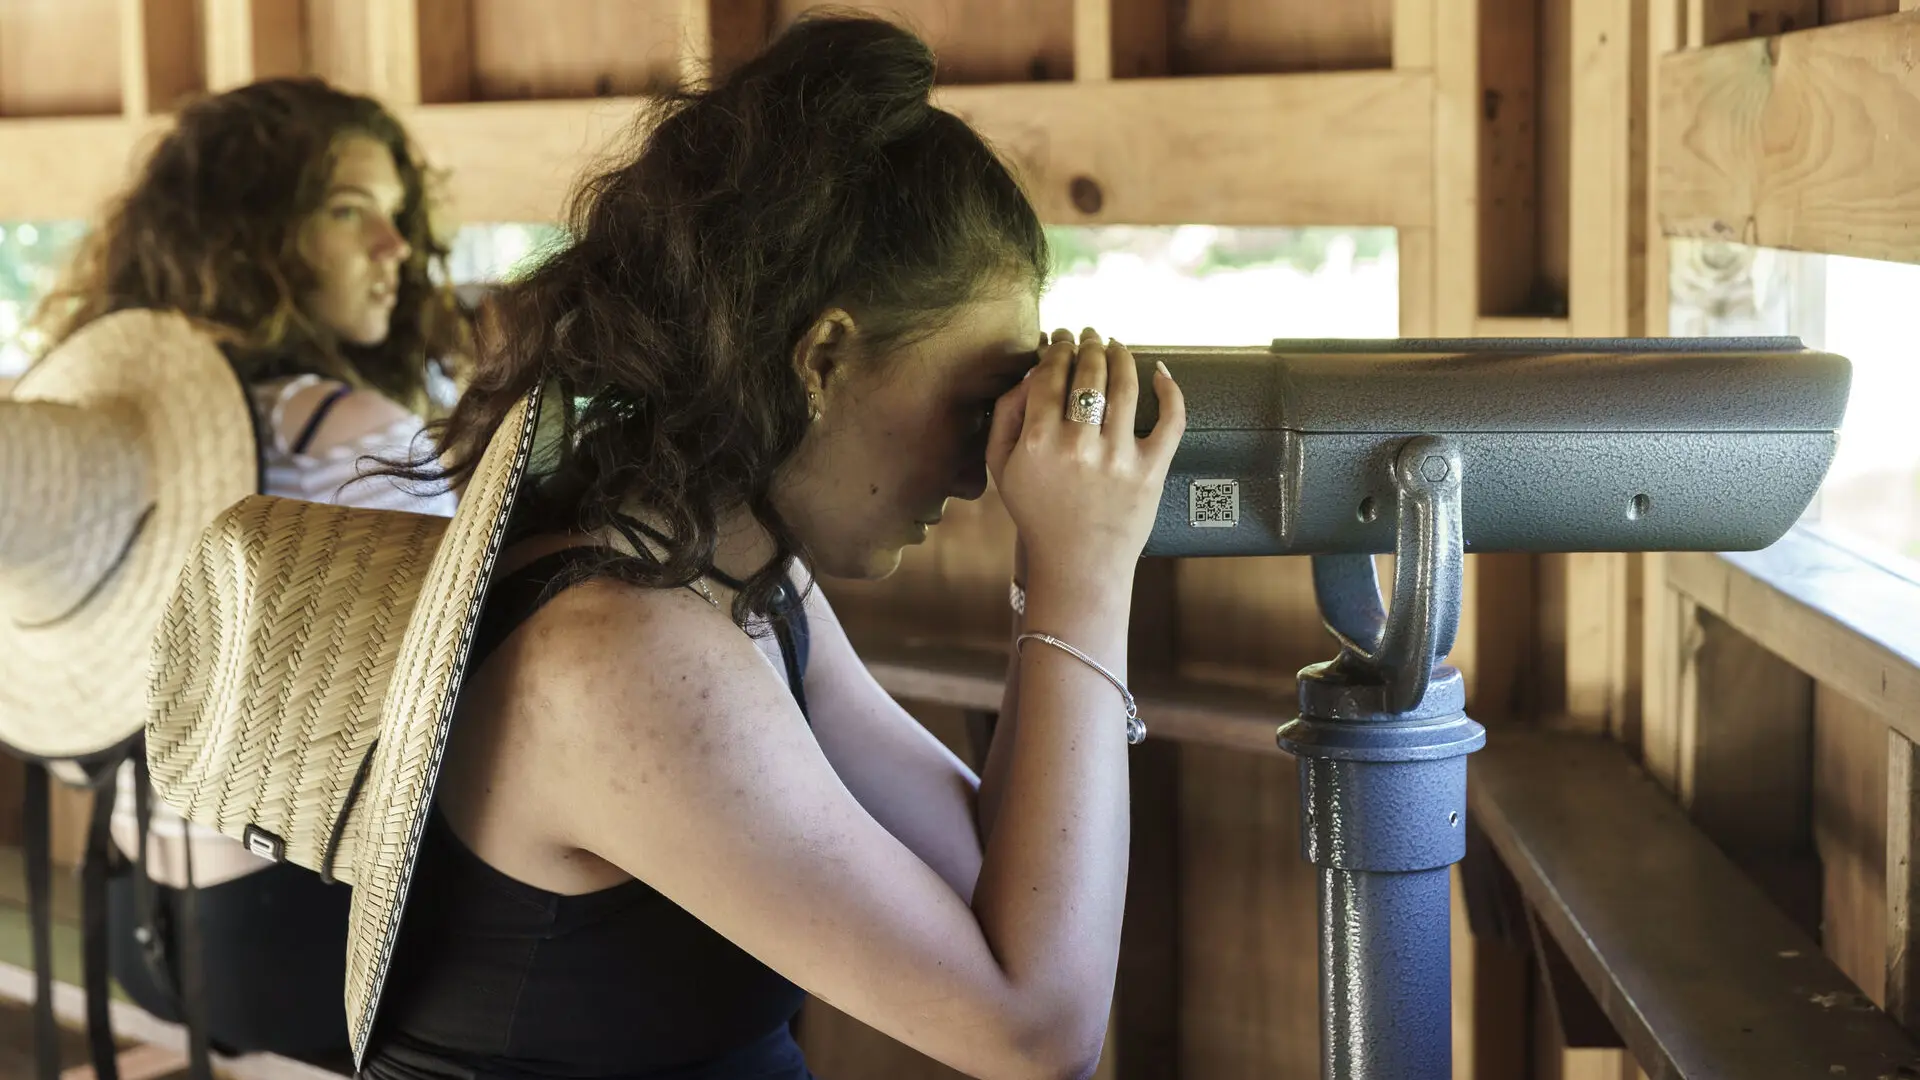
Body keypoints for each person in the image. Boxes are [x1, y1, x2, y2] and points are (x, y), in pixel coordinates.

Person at [139, 14, 1185, 1080]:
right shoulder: (619, 655)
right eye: (974, 402)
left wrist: (1061, 561)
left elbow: (987, 882)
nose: (979, 472)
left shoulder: (734, 582)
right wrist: (1083, 579)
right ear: (820, 359)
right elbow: (1037, 1033)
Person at [28, 76, 472, 1067]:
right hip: (298, 940)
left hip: (136, 920)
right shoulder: (355, 435)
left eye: (396, 218)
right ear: (255, 235)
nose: (394, 250)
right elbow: (445, 723)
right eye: (348, 211)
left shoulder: (105, 435)